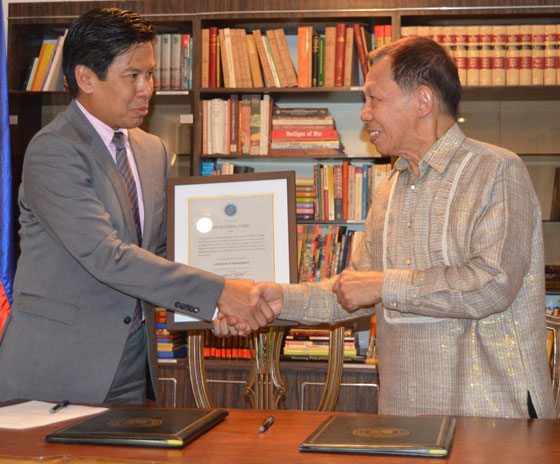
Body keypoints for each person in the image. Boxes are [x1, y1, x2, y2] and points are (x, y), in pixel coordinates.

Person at [215, 36, 556, 419]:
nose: (364, 114)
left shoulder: (497, 170)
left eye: (374, 99)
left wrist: (382, 284)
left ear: (423, 102)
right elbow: (354, 289)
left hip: (493, 420)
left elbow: (493, 285)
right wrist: (281, 299)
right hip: (403, 419)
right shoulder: (391, 186)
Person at [0, 8, 272, 405]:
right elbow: (105, 255)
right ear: (86, 78)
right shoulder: (53, 150)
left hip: (132, 368)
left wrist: (215, 310)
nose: (147, 88)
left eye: (150, 75)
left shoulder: (151, 150)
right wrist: (219, 293)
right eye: (133, 76)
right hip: (55, 369)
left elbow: (157, 250)